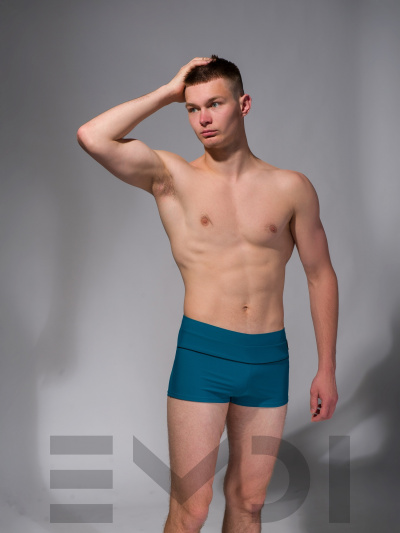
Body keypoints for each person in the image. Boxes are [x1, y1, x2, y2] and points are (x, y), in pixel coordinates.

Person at [77, 55, 339, 532]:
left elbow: (320, 274)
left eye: (215, 104)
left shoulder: (291, 188)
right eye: (192, 108)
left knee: (249, 503)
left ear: (244, 104)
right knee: (191, 508)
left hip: (268, 359)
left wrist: (326, 367)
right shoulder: (172, 177)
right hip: (204, 355)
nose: (203, 118)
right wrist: (167, 91)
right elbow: (92, 136)